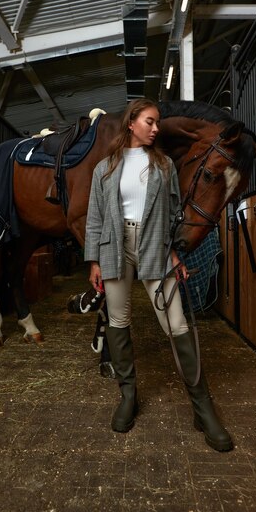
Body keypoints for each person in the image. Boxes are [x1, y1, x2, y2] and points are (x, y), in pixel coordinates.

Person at [84, 98, 233, 452]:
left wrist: (174, 252)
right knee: (119, 320)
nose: (155, 128)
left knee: (177, 324)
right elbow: (95, 218)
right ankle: (128, 395)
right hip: (114, 246)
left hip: (155, 244)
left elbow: (172, 214)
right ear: (131, 123)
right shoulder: (103, 168)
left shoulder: (164, 165)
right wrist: (94, 261)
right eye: (150, 122)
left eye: (157, 123)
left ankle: (202, 407)